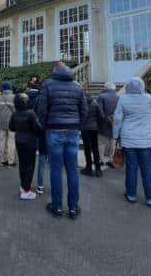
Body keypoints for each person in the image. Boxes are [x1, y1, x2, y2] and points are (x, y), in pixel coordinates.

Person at [35, 64, 88, 220]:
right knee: (72, 169)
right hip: (72, 131)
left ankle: (57, 207)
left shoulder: (48, 85)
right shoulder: (78, 86)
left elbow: (42, 110)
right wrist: (77, 125)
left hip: (54, 130)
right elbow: (84, 110)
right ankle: (73, 208)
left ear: (55, 72)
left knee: (56, 169)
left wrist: (44, 127)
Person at [113, 77, 151, 207]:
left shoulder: (123, 99)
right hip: (146, 138)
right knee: (147, 168)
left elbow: (117, 120)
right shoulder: (149, 99)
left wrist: (116, 136)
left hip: (128, 138)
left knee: (131, 168)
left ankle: (131, 195)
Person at [9, 93, 42, 200]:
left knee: (22, 165)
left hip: (19, 140)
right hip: (30, 141)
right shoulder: (31, 113)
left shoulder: (14, 114)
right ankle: (26, 190)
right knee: (30, 166)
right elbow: (38, 128)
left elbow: (11, 127)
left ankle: (23, 186)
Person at [27, 76, 46, 193]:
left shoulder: (37, 99)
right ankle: (41, 185)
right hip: (48, 131)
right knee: (44, 161)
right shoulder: (44, 99)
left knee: (32, 161)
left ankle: (34, 186)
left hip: (36, 130)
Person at [80, 92, 105, 177]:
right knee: (95, 149)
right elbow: (101, 115)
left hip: (84, 128)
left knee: (87, 149)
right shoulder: (95, 103)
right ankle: (98, 170)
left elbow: (80, 115)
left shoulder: (82, 104)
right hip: (94, 128)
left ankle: (89, 168)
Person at [97, 82, 119, 168]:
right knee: (113, 142)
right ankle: (111, 160)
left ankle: (101, 160)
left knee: (101, 142)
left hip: (103, 123)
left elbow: (99, 110)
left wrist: (106, 118)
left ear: (105, 88)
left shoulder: (101, 96)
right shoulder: (118, 97)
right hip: (115, 123)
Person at [0, 82, 16, 166]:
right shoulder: (13, 97)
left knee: (2, 141)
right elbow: (15, 111)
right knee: (11, 141)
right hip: (11, 122)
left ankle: (3, 159)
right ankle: (11, 161)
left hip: (1, 121)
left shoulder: (0, 97)